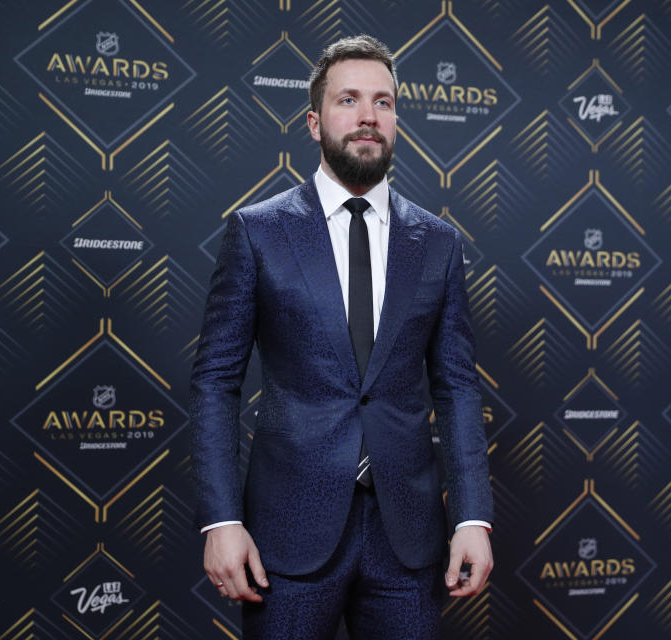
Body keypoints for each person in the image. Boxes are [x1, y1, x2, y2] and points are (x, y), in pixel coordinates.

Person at [190, 34, 494, 639]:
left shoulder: (438, 242)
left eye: (383, 102)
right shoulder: (258, 232)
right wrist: (220, 520)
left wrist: (473, 519)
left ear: (396, 121)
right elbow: (215, 384)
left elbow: (456, 387)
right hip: (286, 536)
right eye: (348, 100)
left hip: (407, 539)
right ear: (314, 121)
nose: (367, 117)